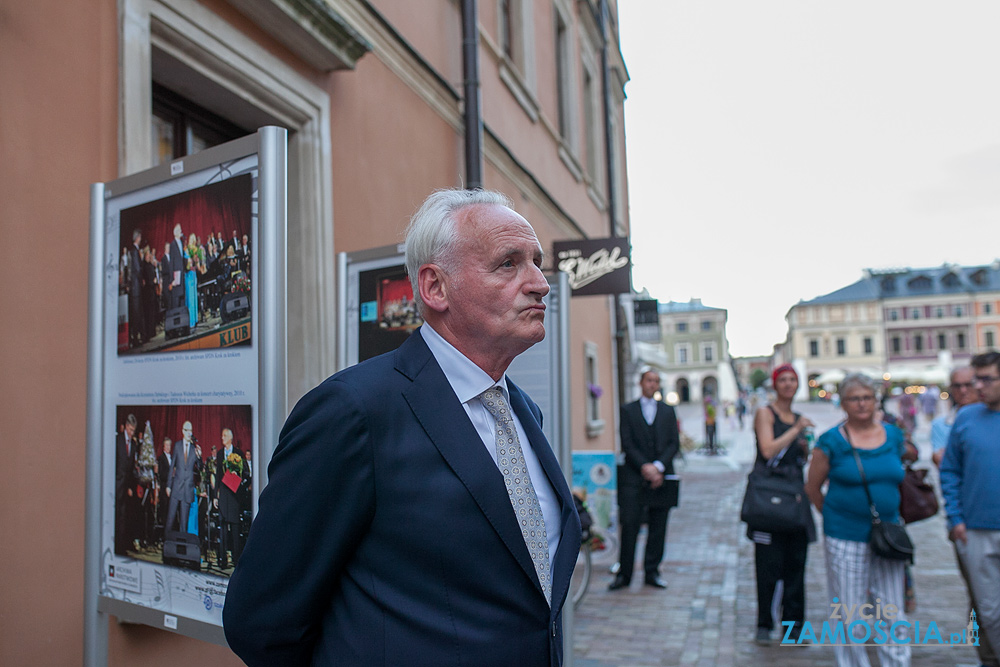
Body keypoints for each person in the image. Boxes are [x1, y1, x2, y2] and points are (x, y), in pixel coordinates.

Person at [224, 188, 581, 666]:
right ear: (436, 288)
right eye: (508, 263)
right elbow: (262, 620)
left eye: (537, 263)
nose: (540, 283)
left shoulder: (522, 411)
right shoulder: (353, 412)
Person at [805, 373, 914, 667]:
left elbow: (899, 471)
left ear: (876, 400)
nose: (862, 404)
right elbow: (813, 488)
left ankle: (897, 662)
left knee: (891, 608)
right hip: (844, 534)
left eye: (867, 397)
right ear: (843, 403)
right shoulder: (830, 441)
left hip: (888, 534)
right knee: (850, 610)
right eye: (855, 398)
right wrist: (835, 516)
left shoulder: (893, 436)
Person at [748, 364, 815, 645]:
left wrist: (803, 445)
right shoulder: (766, 413)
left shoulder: (799, 416)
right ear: (775, 385)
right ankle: (765, 623)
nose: (788, 384)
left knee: (796, 565)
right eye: (783, 380)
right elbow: (767, 449)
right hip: (768, 497)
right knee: (767, 565)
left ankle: (794, 627)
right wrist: (796, 430)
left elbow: (802, 457)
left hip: (794, 496)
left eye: (793, 380)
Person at [941, 351, 1000, 664]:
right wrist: (956, 518)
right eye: (975, 378)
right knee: (988, 611)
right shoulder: (966, 417)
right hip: (975, 529)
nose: (978, 386)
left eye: (986, 378)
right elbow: (949, 470)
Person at [609, 369, 679, 591]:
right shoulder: (628, 410)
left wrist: (658, 467)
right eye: (649, 380)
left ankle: (652, 572)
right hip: (633, 477)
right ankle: (625, 574)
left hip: (662, 476)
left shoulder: (668, 411)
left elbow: (673, 443)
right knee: (629, 526)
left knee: (659, 527)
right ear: (641, 383)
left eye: (656, 381)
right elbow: (627, 443)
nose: (652, 384)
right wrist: (645, 467)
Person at [213, 428, 248, 569]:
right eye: (221, 435)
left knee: (234, 528)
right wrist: (215, 495)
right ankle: (222, 561)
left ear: (230, 438)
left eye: (224, 436)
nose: (222, 438)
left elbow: (246, 473)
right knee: (222, 528)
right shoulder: (220, 453)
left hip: (234, 496)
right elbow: (217, 475)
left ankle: (236, 560)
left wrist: (236, 476)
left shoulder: (238, 453)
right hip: (224, 496)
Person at [931, 366, 977, 467]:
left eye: (968, 384)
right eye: (957, 386)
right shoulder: (940, 424)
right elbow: (942, 461)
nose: (963, 390)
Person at [165, 421, 201, 535]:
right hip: (176, 488)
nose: (189, 433)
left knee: (183, 524)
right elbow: (172, 467)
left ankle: (181, 548)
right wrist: (168, 485)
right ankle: (167, 545)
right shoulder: (177, 445)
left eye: (190, 430)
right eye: (187, 430)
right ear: (182, 431)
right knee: (170, 519)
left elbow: (200, 468)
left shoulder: (194, 449)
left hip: (187, 489)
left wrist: (199, 456)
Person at [115, 414, 139, 555]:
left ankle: (122, 547)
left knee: (124, 517)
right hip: (116, 486)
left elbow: (131, 469)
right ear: (125, 427)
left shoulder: (134, 445)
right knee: (117, 517)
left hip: (126, 487)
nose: (131, 433)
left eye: (133, 431)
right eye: (130, 430)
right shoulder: (117, 440)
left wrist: (130, 486)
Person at [127, 229, 145, 347]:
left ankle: (137, 337)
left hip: (134, 287)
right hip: (136, 287)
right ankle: (136, 338)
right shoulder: (134, 251)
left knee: (136, 313)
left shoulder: (133, 250)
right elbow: (137, 269)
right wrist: (142, 279)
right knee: (136, 313)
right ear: (137, 237)